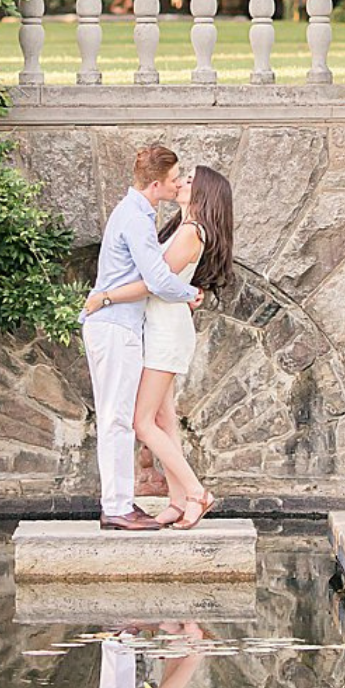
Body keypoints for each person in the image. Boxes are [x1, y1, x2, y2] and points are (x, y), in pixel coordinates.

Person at [83, 164, 234, 530]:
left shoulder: (191, 233)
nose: (181, 183)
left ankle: (197, 493)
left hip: (166, 331)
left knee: (141, 421)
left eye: (189, 181)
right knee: (164, 420)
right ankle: (178, 501)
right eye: (181, 178)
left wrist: (104, 297)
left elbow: (154, 283)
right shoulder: (181, 228)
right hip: (157, 328)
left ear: (203, 193)